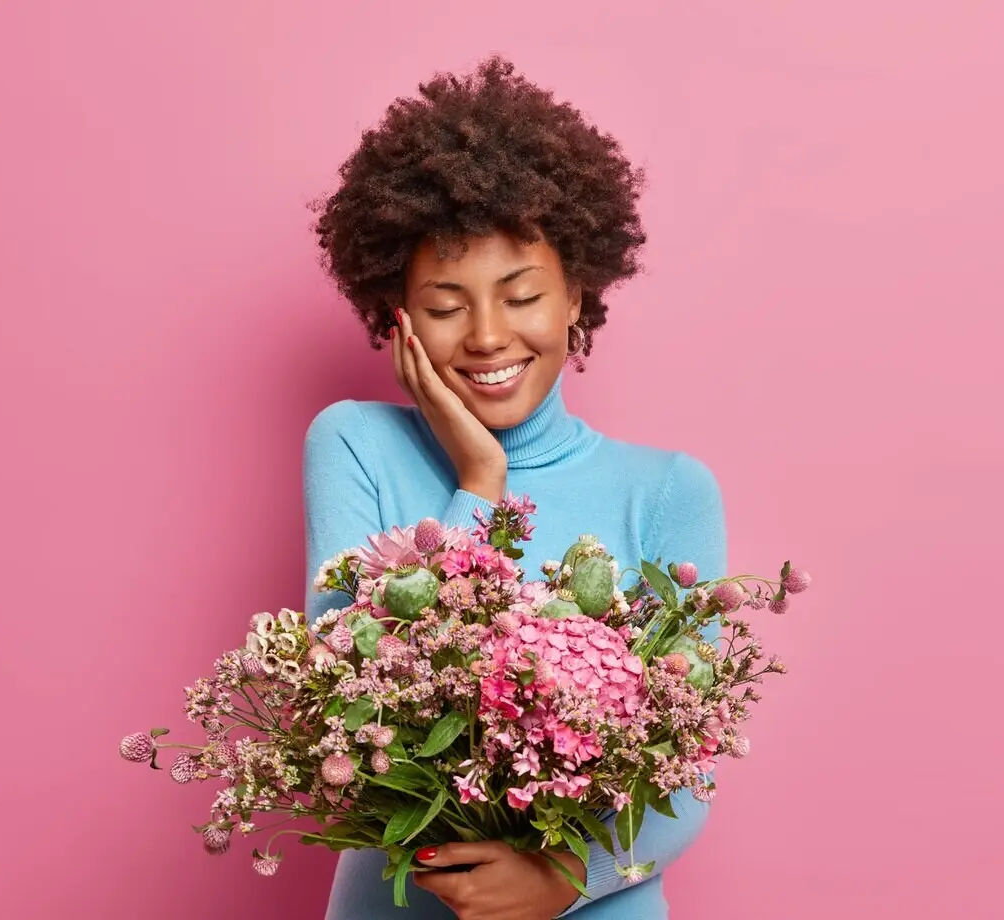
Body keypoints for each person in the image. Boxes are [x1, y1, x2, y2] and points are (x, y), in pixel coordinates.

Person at [303, 56, 728, 920]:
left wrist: (561, 880)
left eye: (522, 293)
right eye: (446, 303)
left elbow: (693, 774)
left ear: (577, 292)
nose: (489, 335)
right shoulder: (352, 442)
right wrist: (480, 481)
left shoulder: (670, 491)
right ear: (397, 313)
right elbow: (345, 706)